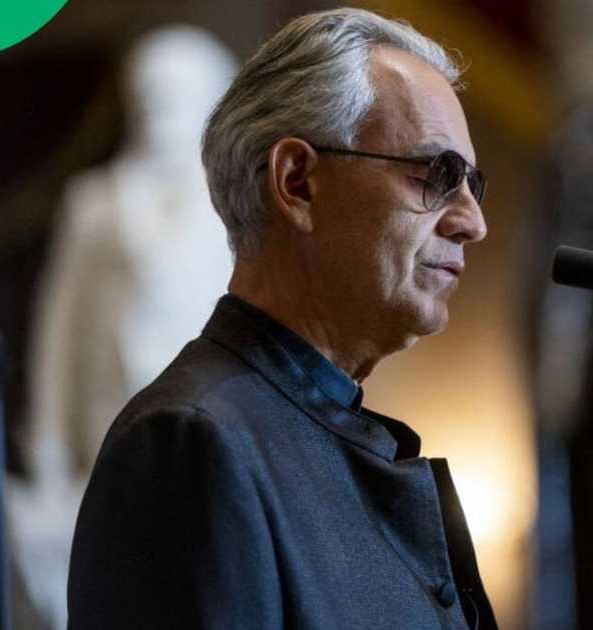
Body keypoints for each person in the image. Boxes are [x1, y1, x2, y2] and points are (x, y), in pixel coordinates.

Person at [67, 8, 496, 629]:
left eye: (471, 185)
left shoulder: (309, 429)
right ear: (297, 183)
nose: (472, 222)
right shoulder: (192, 446)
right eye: (437, 175)